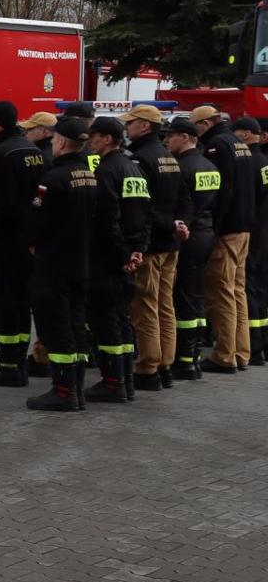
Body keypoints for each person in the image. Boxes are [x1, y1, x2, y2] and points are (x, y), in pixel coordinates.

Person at [24, 116, 96, 412]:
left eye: (54, 140)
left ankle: (63, 390)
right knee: (76, 326)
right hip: (80, 262)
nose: (52, 145)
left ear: (63, 142)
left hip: (54, 263)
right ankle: (75, 389)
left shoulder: (53, 179)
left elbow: (39, 221)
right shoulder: (89, 175)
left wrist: (29, 239)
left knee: (56, 328)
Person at [0, 101, 44, 389]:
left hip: (5, 241)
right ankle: (18, 362)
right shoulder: (34, 151)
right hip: (28, 241)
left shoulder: (2, 154)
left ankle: (8, 365)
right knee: (21, 303)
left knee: (3, 304)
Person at [81, 116, 149, 403]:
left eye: (94, 137)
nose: (90, 142)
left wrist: (122, 255)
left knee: (105, 320)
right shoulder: (134, 169)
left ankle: (112, 383)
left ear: (107, 139)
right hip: (129, 254)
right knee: (121, 319)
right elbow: (144, 213)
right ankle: (125, 381)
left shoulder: (107, 170)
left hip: (109, 258)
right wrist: (137, 251)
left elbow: (107, 219)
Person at [123, 104, 189, 390]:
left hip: (151, 244)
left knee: (145, 306)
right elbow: (185, 198)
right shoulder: (170, 157)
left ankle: (148, 367)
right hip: (171, 245)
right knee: (165, 304)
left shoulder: (139, 158)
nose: (126, 128)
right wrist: (180, 224)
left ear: (145, 126)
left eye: (131, 123)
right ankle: (165, 365)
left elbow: (143, 206)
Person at [192, 105, 257, 372]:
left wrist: (214, 228)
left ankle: (224, 354)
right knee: (237, 290)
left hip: (228, 230)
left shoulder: (217, 145)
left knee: (222, 292)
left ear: (206, 123)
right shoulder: (237, 142)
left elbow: (223, 190)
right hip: (244, 228)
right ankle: (242, 351)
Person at [169, 118, 220, 380]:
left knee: (183, 297)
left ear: (186, 137)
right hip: (207, 232)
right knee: (197, 294)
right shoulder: (209, 165)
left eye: (172, 137)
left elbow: (180, 205)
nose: (167, 141)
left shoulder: (182, 167)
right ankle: (195, 354)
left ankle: (184, 360)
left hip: (188, 235)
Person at [237, 117, 268, 366]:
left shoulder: (250, 162)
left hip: (255, 232)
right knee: (261, 289)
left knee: (250, 288)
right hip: (264, 232)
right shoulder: (264, 162)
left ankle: (254, 346)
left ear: (247, 135)